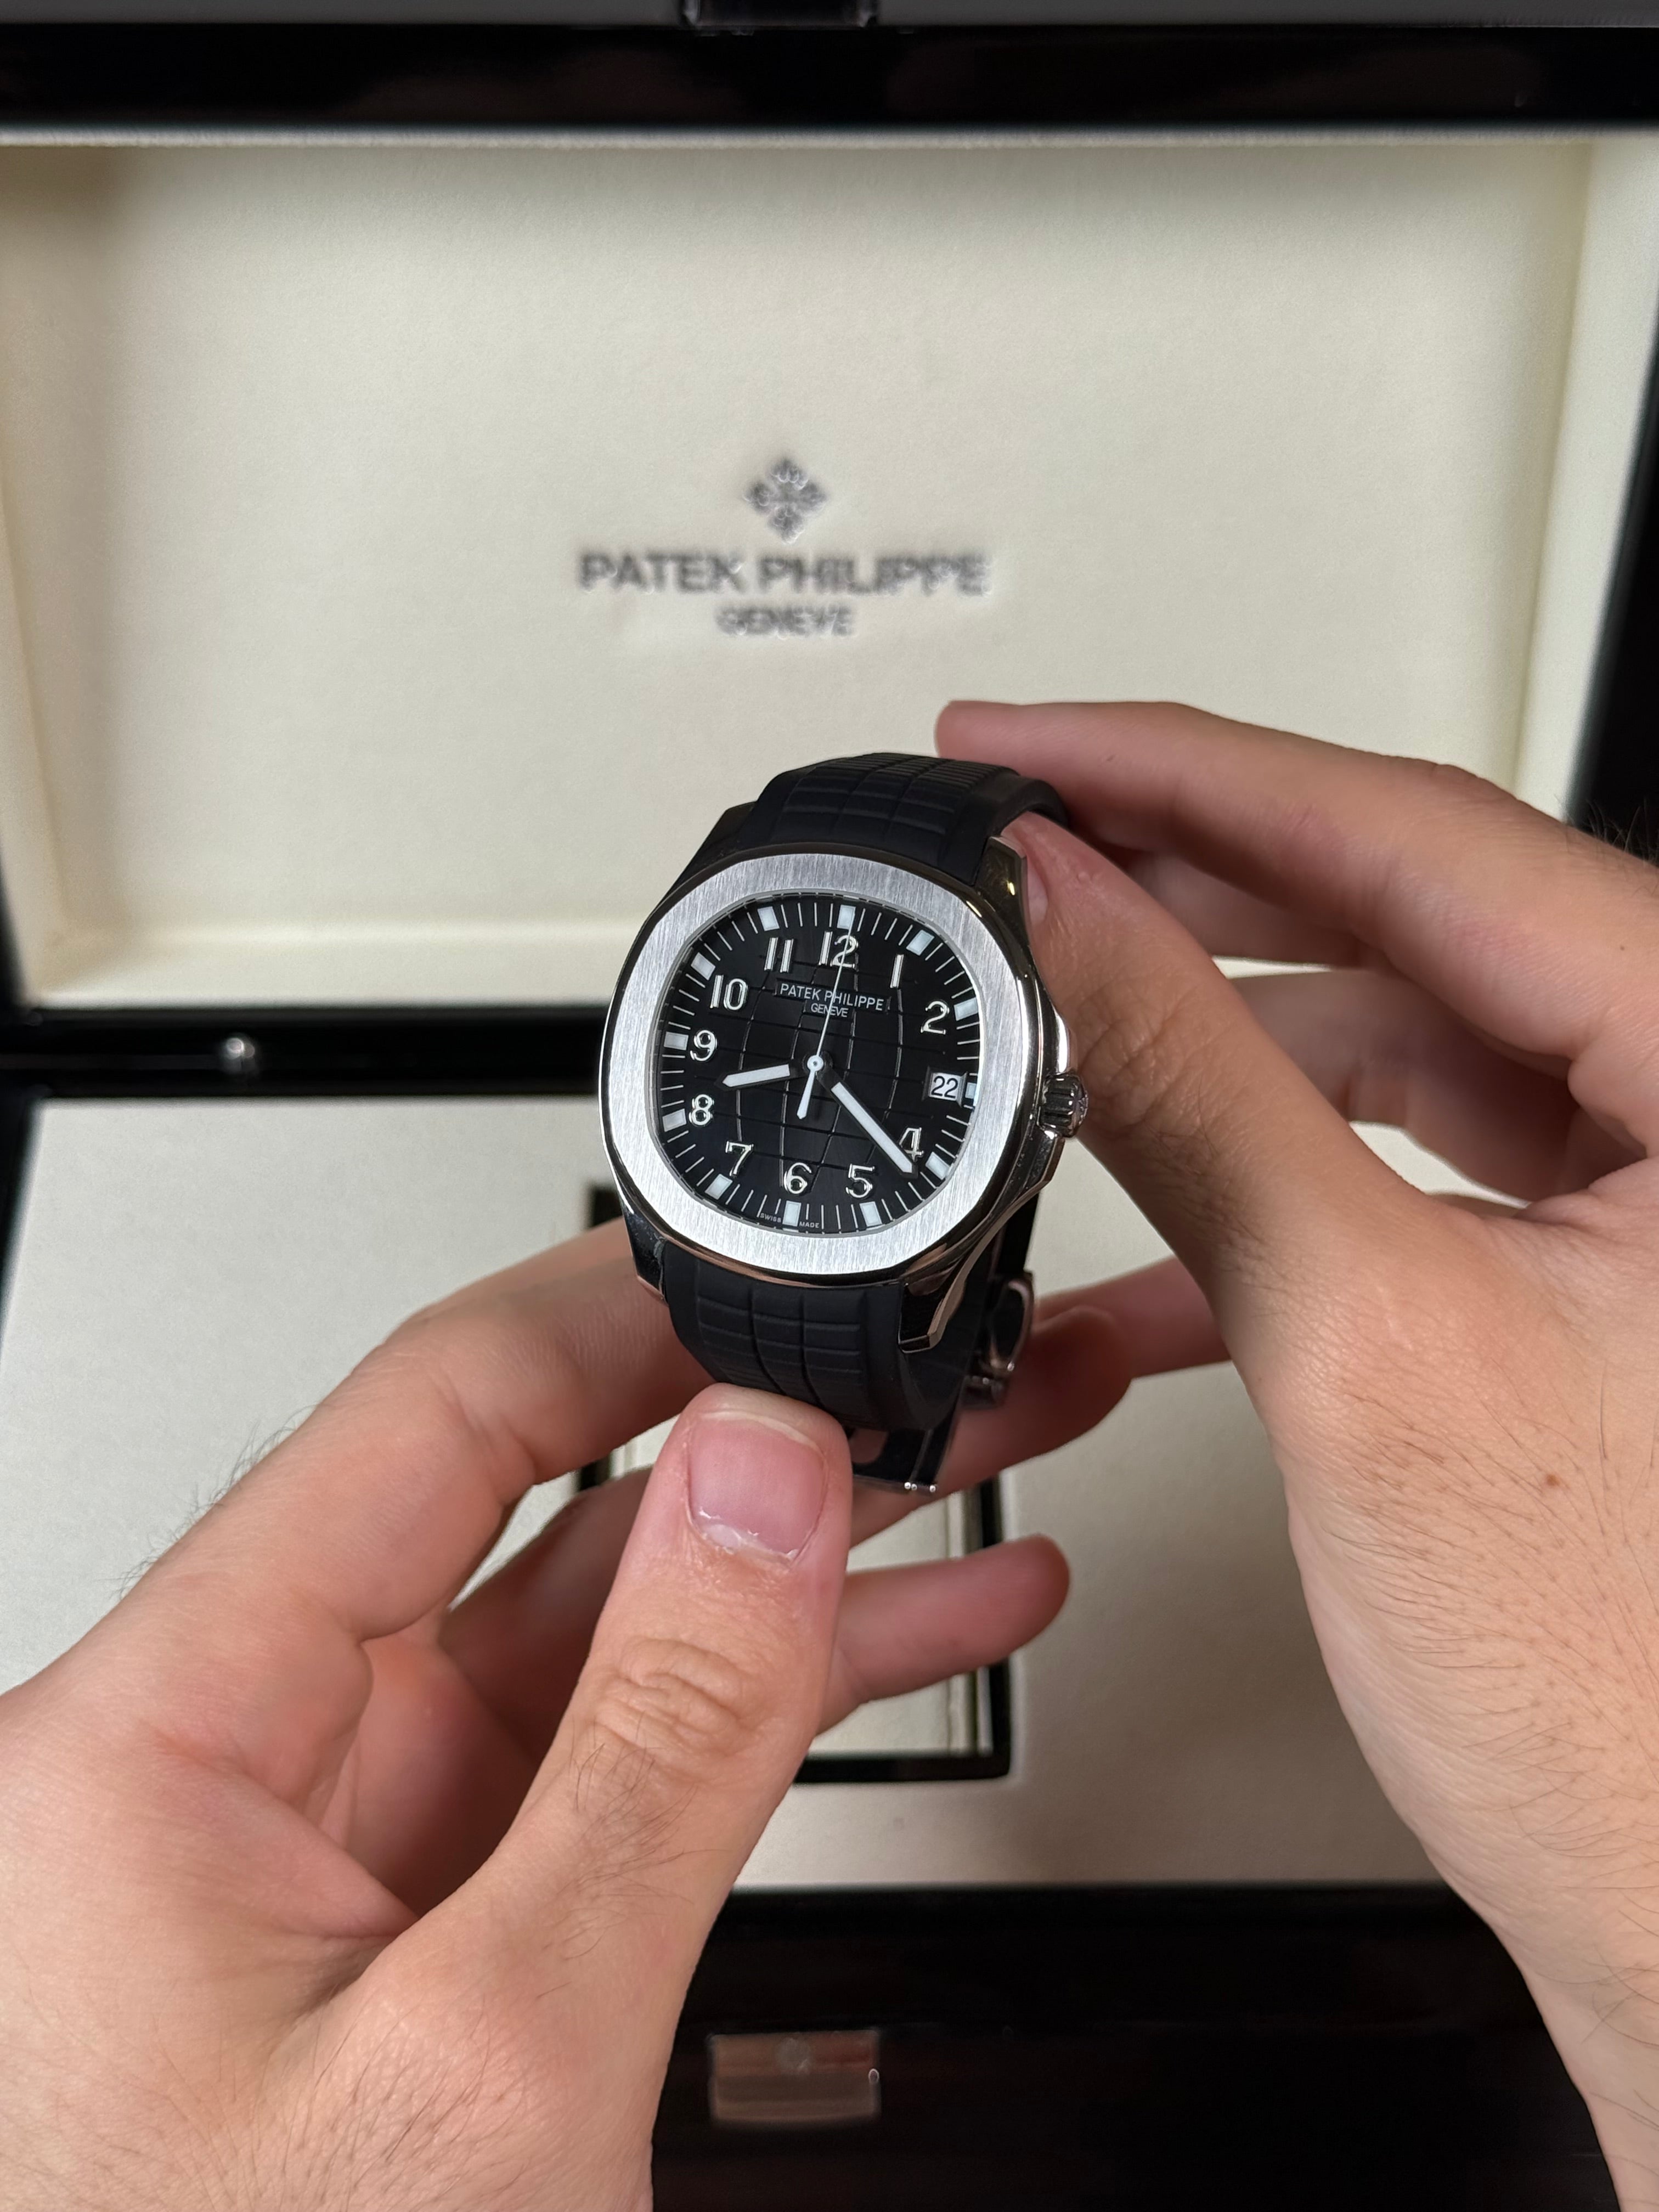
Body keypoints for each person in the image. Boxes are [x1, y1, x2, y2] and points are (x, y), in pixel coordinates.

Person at [2, 701, 1655, 2209]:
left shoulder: (984, 1109)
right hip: (778, 1244)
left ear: (1034, 1119)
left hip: (880, 1260)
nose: (810, 1065)